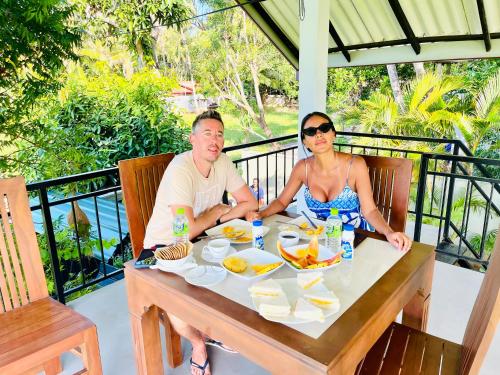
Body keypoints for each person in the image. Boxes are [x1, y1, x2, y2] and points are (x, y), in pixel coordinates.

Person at [144, 109, 258, 375]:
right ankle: (198, 344)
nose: (214, 140)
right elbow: (184, 232)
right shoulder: (180, 170)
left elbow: (250, 202)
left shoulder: (223, 163)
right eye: (207, 134)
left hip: (202, 239)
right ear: (192, 139)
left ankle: (218, 328)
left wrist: (218, 219)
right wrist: (212, 215)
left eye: (219, 134)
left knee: (242, 264)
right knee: (177, 302)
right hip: (164, 247)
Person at [245, 111, 412, 251]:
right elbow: (282, 201)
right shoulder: (302, 168)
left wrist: (389, 233)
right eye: (311, 132)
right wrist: (261, 214)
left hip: (354, 240)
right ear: (305, 141)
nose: (318, 134)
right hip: (322, 240)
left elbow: (369, 211)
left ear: (333, 134)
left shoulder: (355, 165)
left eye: (324, 128)